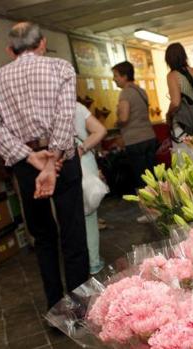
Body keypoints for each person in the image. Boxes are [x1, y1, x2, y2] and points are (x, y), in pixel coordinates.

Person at [0, 22, 89, 311]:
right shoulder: (61, 68)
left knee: (43, 237)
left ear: (9, 50)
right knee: (73, 233)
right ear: (42, 43)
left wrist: (29, 157)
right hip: (62, 161)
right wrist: (53, 160)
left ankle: (56, 308)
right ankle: (80, 309)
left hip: (27, 164)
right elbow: (65, 116)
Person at [112, 61, 157, 222]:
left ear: (124, 76)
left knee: (141, 178)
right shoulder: (141, 90)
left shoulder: (125, 93)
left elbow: (124, 117)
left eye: (116, 76)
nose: (114, 79)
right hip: (149, 136)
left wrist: (116, 122)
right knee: (152, 175)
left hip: (135, 140)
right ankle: (159, 208)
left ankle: (149, 212)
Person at [73, 100, 107, 275]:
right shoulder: (77, 107)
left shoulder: (43, 110)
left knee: (69, 217)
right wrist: (82, 147)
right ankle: (93, 262)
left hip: (59, 166)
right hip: (84, 162)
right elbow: (100, 130)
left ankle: (77, 263)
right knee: (89, 216)